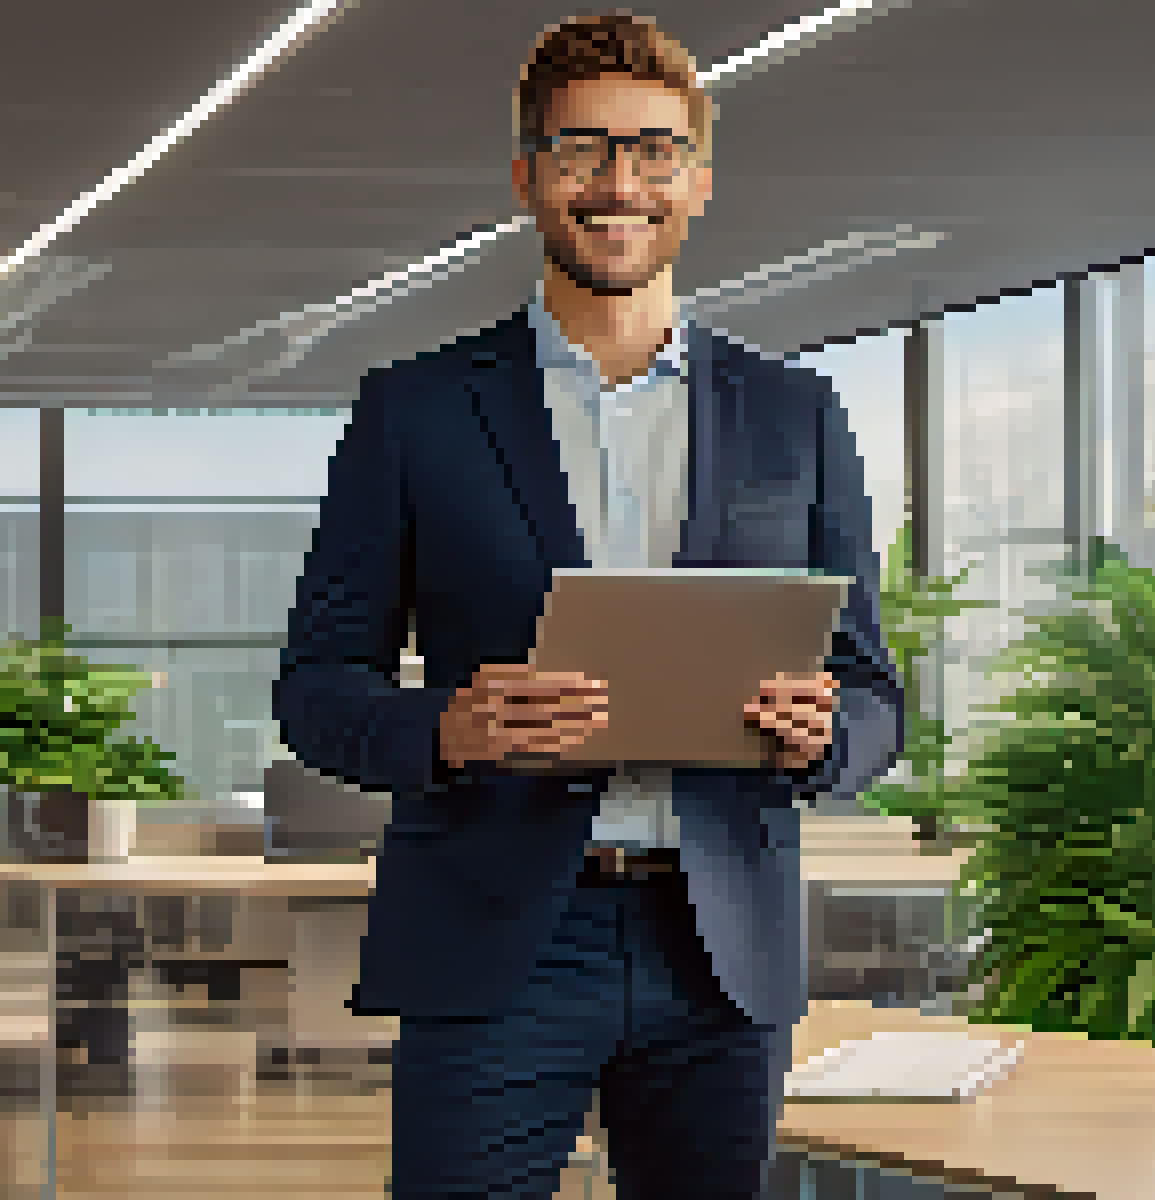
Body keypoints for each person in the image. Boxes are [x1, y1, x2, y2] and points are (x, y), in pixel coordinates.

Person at [272, 12, 903, 1198]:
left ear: (700, 181)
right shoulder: (413, 413)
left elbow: (874, 688)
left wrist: (830, 739)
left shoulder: (796, 413)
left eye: (655, 151)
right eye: (582, 150)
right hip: (498, 937)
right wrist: (445, 731)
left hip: (720, 949)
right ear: (527, 178)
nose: (620, 185)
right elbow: (315, 685)